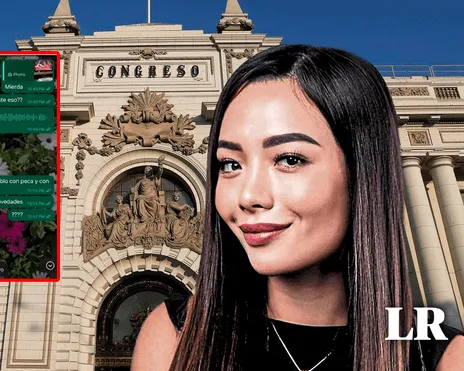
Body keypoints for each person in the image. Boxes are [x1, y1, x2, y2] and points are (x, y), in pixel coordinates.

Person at [131, 44, 464, 370]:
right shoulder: (175, 335)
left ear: (363, 170)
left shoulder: (444, 357)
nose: (248, 196)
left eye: (289, 159)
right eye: (231, 164)